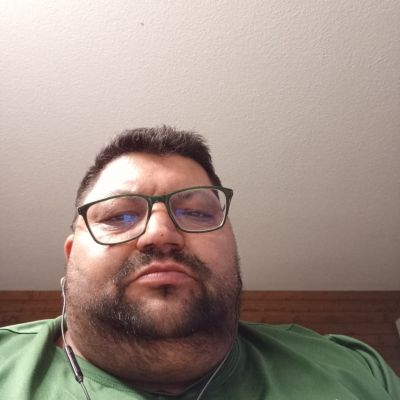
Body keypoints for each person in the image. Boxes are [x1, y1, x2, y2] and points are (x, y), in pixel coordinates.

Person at [0, 126, 399, 400]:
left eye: (196, 213)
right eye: (119, 216)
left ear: (232, 245)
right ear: (72, 254)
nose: (160, 233)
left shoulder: (355, 368)